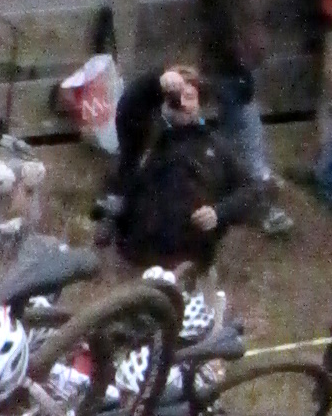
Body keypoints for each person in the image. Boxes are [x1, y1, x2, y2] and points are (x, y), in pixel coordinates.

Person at [107, 62, 266, 272]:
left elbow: (253, 191)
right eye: (174, 98)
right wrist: (157, 82)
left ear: (199, 102)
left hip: (192, 262)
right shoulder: (144, 138)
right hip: (140, 259)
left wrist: (219, 213)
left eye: (189, 96)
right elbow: (129, 108)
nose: (181, 103)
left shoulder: (215, 146)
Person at [194, 0, 290, 236]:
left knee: (233, 134)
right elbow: (227, 26)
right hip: (229, 66)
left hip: (232, 64)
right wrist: (240, 67)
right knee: (248, 135)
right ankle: (260, 204)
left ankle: (219, 192)